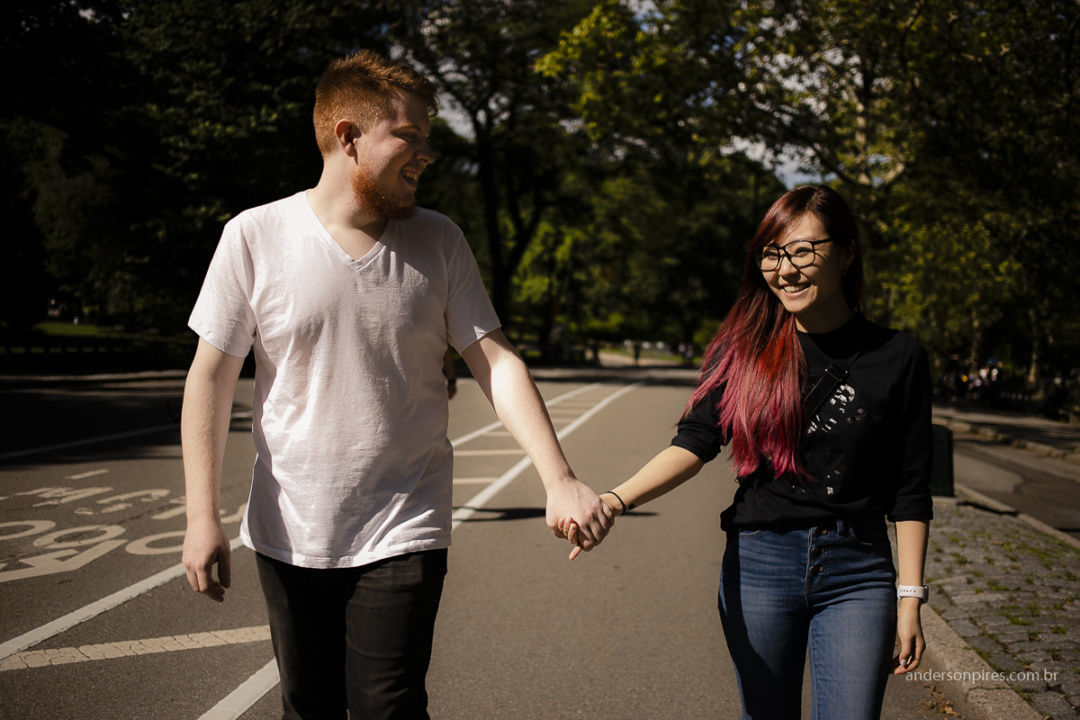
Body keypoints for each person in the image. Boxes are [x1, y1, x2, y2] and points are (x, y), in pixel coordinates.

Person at [180, 49, 613, 719]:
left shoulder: (440, 242)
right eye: (408, 136)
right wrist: (200, 516)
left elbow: (496, 361)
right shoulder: (255, 236)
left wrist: (558, 477)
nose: (426, 154)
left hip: (403, 523)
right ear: (347, 135)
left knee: (390, 706)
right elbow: (209, 378)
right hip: (289, 527)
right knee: (310, 707)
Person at [567, 185, 932, 719]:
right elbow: (694, 443)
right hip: (761, 565)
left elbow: (910, 487)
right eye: (772, 253)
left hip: (858, 569)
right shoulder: (748, 350)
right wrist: (614, 501)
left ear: (848, 252)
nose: (786, 268)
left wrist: (910, 597)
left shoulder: (898, 356)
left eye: (804, 250)